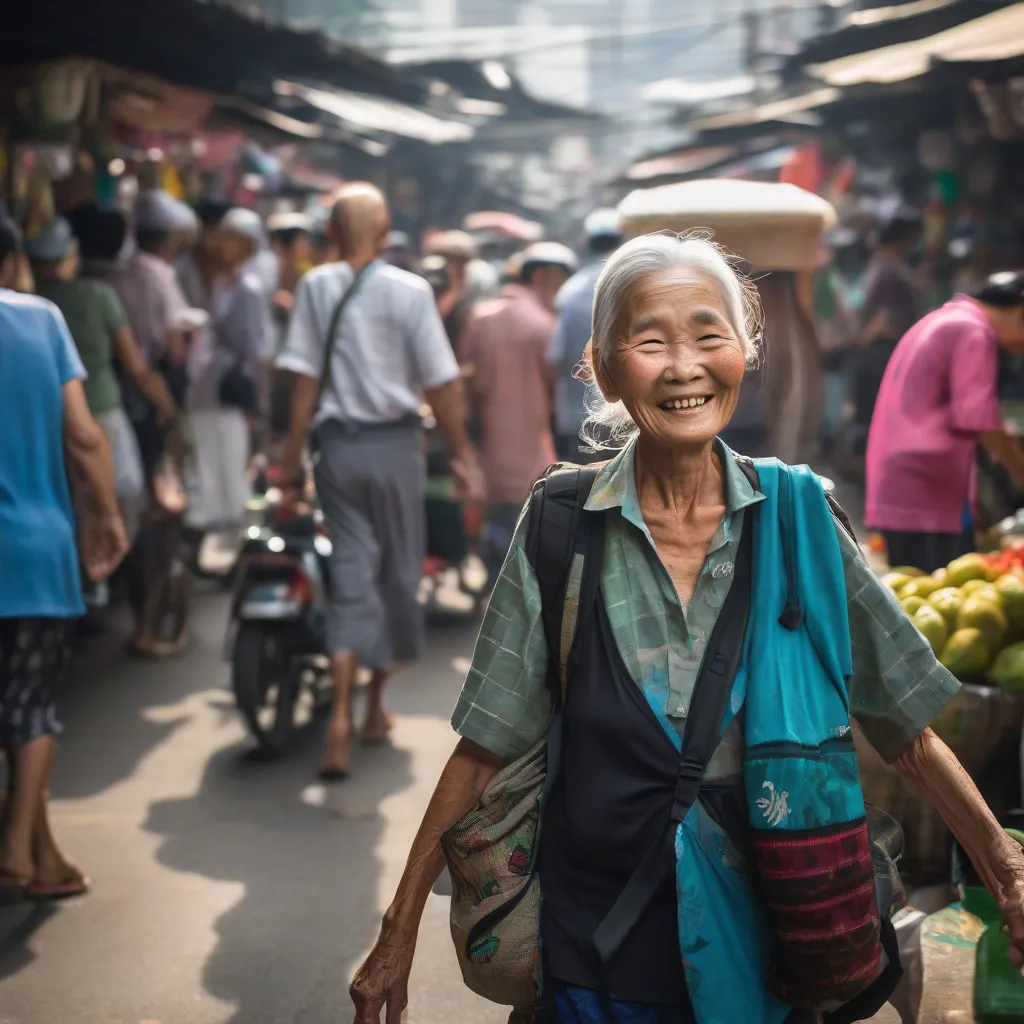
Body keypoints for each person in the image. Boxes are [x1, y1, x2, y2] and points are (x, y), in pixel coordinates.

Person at [351, 233, 1024, 1024]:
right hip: (593, 948)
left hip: (772, 946)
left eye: (710, 335)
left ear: (745, 349)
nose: (684, 367)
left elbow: (906, 730)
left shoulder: (798, 518)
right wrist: (396, 929)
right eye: (649, 341)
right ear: (602, 367)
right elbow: (486, 739)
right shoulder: (562, 524)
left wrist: (1008, 876)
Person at [275, 182, 484, 780]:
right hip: (396, 450)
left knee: (350, 573)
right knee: (397, 574)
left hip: (335, 450)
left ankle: (338, 716)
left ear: (334, 234)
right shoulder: (411, 290)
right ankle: (370, 707)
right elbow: (441, 383)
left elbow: (304, 385)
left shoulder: (314, 286)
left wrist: (291, 463)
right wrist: (462, 452)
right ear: (386, 228)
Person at [0, 213, 128, 897]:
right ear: (12, 259)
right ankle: (20, 852)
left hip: (30, 552)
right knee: (31, 706)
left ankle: (42, 857)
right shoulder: (39, 320)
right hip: (33, 550)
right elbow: (83, 436)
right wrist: (108, 515)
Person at [27, 216, 174, 544]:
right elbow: (136, 367)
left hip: (47, 421)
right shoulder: (94, 296)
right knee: (123, 493)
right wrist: (167, 408)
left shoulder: (28, 304)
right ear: (69, 255)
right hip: (101, 413)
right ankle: (112, 560)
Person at [866, 271, 1024, 572]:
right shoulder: (973, 330)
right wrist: (1020, 469)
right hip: (926, 483)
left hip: (904, 478)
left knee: (913, 587)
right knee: (934, 584)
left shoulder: (946, 318)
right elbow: (977, 418)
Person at [460, 241, 578, 572]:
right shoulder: (543, 324)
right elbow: (557, 385)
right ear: (541, 276)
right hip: (532, 447)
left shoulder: (480, 318)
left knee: (496, 521)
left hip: (489, 447)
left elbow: (467, 380)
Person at [180, 207, 270, 540]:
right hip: (209, 379)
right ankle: (214, 520)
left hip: (228, 382)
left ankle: (232, 524)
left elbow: (250, 344)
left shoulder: (249, 287)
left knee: (230, 451)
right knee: (208, 447)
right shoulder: (223, 281)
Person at [548, 209, 624, 461]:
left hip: (578, 415)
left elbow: (556, 356)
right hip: (631, 414)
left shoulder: (570, 290)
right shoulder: (635, 281)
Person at [853, 207, 922, 428]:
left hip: (881, 351)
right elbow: (882, 317)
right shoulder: (888, 268)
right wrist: (863, 340)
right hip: (880, 353)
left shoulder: (884, 263)